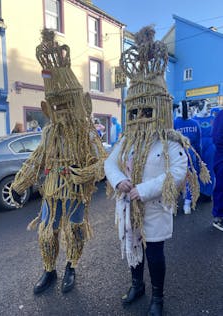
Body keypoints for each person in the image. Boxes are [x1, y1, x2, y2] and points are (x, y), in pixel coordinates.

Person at [104, 26, 210, 316]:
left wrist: (145, 189)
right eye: (134, 113)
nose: (139, 119)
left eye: (145, 112)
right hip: (129, 206)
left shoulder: (170, 140)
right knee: (132, 247)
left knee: (154, 253)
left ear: (158, 110)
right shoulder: (126, 139)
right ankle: (137, 285)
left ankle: (158, 297)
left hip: (153, 206)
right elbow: (109, 163)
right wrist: (120, 180)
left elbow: (177, 171)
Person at [10, 28, 106, 295]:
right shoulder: (49, 132)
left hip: (75, 190)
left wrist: (85, 174)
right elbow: (36, 159)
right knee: (47, 231)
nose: (62, 111)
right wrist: (19, 184)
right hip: (52, 188)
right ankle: (49, 270)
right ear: (49, 108)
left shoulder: (87, 132)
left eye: (66, 105)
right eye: (57, 106)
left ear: (78, 103)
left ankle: (71, 268)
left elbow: (102, 164)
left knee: (75, 229)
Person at [174, 100, 202, 214]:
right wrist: (199, 158)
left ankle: (173, 205)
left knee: (175, 178)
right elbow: (198, 144)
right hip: (191, 155)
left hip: (177, 156)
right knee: (190, 178)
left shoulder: (174, 123)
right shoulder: (195, 124)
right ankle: (187, 205)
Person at [193, 99, 215, 201]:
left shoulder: (213, 118)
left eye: (208, 106)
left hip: (211, 146)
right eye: (206, 106)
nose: (208, 108)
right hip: (198, 145)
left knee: (209, 169)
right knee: (198, 169)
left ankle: (207, 193)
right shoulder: (194, 120)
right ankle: (199, 191)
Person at [211, 109, 223, 230]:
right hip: (221, 157)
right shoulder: (221, 115)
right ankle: (218, 217)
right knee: (221, 186)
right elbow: (217, 138)